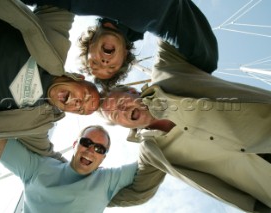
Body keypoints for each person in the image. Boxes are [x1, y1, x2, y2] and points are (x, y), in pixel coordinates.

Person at [99, 38, 271, 212]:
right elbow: (137, 193)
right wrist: (75, 195)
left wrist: (116, 34)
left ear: (133, 92)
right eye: (115, 115)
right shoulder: (151, 153)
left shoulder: (166, 73)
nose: (122, 110)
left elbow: (172, 21)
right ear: (120, 125)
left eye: (120, 101)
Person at [0, 1, 100, 158]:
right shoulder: (54, 43)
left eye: (80, 110)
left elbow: (47, 159)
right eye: (85, 96)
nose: (78, 104)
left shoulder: (37, 124)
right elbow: (66, 4)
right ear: (79, 78)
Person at [22, 0, 218, 89]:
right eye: (112, 66)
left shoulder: (76, 3)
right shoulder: (162, 20)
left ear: (90, 46)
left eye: (96, 64)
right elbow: (204, 58)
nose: (105, 62)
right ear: (125, 54)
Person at [0, 125, 165, 212]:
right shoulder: (40, 166)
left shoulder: (107, 180)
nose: (90, 150)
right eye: (86, 142)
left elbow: (149, 162)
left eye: (99, 149)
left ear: (103, 157)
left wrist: (146, 131)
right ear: (75, 145)